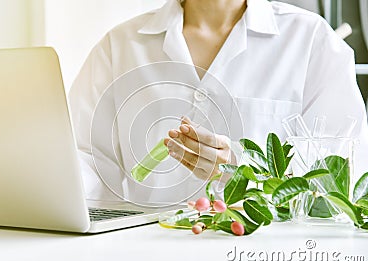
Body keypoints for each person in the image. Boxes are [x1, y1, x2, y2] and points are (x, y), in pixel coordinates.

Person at [69, 0, 368, 204]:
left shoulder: (311, 41)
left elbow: (343, 172)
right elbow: (83, 159)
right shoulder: (119, 45)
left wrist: (244, 165)